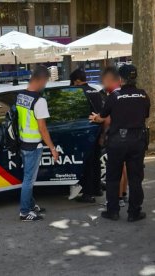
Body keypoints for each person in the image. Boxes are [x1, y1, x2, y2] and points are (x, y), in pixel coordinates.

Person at [89, 64, 150, 222]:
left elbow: (103, 115)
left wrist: (96, 118)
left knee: (113, 178)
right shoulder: (143, 95)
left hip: (117, 141)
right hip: (137, 141)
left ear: (120, 79)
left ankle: (113, 211)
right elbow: (145, 114)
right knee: (135, 178)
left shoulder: (114, 96)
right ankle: (134, 213)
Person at [16, 65, 59, 222]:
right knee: (29, 180)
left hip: (23, 143)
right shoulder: (39, 101)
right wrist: (53, 149)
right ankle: (25, 211)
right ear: (41, 80)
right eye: (46, 81)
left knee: (27, 177)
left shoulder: (20, 95)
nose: (45, 85)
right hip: (34, 145)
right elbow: (42, 129)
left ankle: (31, 205)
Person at [69, 69, 104, 202]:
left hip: (84, 132)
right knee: (95, 160)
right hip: (97, 130)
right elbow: (103, 112)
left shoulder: (77, 92)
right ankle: (97, 188)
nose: (72, 85)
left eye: (73, 82)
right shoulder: (95, 91)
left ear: (77, 80)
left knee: (86, 163)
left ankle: (88, 194)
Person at [99, 67, 129, 208]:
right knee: (124, 168)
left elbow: (107, 119)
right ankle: (123, 195)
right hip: (131, 137)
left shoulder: (113, 96)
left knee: (116, 170)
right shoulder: (127, 93)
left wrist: (103, 131)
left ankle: (118, 199)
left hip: (117, 137)